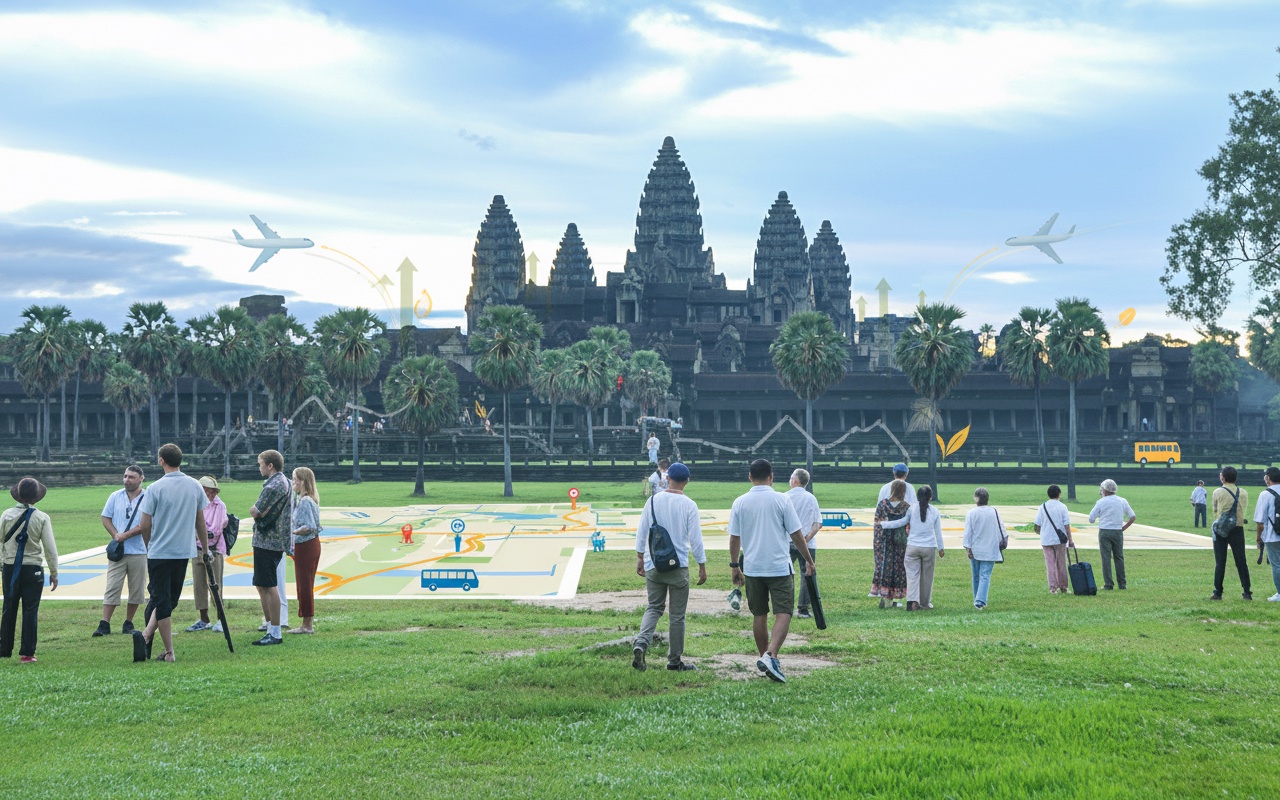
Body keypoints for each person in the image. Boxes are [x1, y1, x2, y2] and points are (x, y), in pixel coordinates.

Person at [728, 459, 814, 684]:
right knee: (783, 611)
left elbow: (734, 537)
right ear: (771, 477)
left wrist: (735, 565)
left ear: (749, 477)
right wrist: (808, 560)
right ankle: (771, 656)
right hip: (778, 566)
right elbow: (796, 534)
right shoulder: (782, 499)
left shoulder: (739, 502)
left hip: (753, 567)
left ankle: (764, 657)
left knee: (759, 614)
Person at [126, 444, 210, 663]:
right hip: (183, 551)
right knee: (168, 600)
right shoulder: (194, 485)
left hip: (160, 551)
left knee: (164, 601)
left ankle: (167, 650)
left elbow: (145, 524)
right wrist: (206, 548)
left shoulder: (155, 488)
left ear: (161, 460)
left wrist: (149, 545)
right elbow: (200, 519)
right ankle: (147, 637)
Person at [632, 462, 706, 672]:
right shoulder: (689, 504)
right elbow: (696, 539)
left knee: (654, 607)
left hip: (654, 562)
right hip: (678, 564)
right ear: (687, 481)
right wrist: (701, 564)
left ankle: (641, 643)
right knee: (677, 615)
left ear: (667, 479)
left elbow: (642, 530)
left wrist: (640, 557)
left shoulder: (653, 500)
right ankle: (674, 660)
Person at [1, 478, 58, 664]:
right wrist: (54, 572)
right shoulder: (41, 517)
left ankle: (4, 648)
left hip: (10, 568)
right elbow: (50, 548)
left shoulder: (6, 515)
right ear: (36, 497)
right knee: (30, 610)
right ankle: (27, 653)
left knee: (9, 608)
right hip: (33, 568)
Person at [94, 465, 147, 637]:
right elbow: (105, 517)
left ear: (141, 478)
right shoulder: (115, 496)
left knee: (136, 588)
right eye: (125, 476)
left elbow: (146, 524)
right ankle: (105, 623)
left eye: (131, 477)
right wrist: (116, 535)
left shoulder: (148, 498)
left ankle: (128, 622)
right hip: (119, 550)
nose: (126, 480)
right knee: (112, 586)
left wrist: (125, 535)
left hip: (139, 549)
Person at [250, 449, 292, 646]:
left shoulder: (273, 485)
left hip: (268, 540)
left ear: (270, 465)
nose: (259, 468)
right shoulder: (285, 482)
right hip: (272, 540)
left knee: (268, 585)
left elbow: (255, 510)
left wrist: (256, 512)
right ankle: (270, 626)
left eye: (260, 464)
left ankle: (274, 630)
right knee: (262, 583)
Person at [185, 476, 228, 633]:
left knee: (215, 585)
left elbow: (215, 530)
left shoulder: (219, 506)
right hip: (196, 549)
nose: (208, 494)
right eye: (205, 491)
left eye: (210, 491)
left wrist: (199, 534)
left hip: (214, 550)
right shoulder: (195, 504)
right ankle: (204, 619)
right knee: (199, 585)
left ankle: (220, 619)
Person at [784, 469, 822, 619]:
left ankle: (785, 606)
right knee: (807, 574)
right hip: (808, 543)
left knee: (786, 575)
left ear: (795, 481)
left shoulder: (784, 498)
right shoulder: (811, 498)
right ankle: (803, 609)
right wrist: (805, 539)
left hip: (786, 542)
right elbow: (817, 523)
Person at [289, 466, 322, 634]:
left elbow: (309, 526)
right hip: (309, 544)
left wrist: (291, 533)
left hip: (306, 545)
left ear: (302, 481)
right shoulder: (308, 500)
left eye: (295, 479)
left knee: (304, 585)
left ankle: (307, 624)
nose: (293, 482)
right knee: (305, 584)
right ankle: (306, 621)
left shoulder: (305, 501)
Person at [1210, 466, 1251, 601]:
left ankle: (1218, 592)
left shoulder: (1218, 492)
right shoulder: (1243, 492)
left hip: (1221, 529)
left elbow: (1215, 510)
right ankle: (1246, 591)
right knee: (1241, 561)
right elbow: (1243, 509)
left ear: (1223, 477)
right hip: (1237, 528)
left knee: (1220, 562)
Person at [1087, 479, 1136, 591]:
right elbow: (1132, 517)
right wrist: (1123, 528)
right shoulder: (1122, 501)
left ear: (1104, 490)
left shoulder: (1101, 502)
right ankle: (1122, 584)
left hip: (1105, 531)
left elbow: (1091, 519)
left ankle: (1108, 584)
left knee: (1106, 558)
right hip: (1118, 531)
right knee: (1119, 557)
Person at [903, 485, 945, 611]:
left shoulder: (911, 509)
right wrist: (941, 548)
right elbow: (938, 532)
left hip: (912, 546)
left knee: (912, 576)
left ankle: (912, 601)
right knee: (927, 577)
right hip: (928, 547)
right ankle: (925, 602)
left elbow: (906, 524)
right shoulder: (935, 511)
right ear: (930, 497)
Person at [962, 487, 1004, 609]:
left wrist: (967, 548)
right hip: (990, 548)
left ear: (976, 498)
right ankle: (979, 600)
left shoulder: (971, 513)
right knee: (985, 575)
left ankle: (978, 599)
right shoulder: (994, 511)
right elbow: (1001, 529)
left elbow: (968, 532)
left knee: (975, 575)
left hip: (975, 548)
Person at [870, 479, 911, 607]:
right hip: (900, 543)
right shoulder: (906, 507)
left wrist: (878, 542)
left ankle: (884, 598)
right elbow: (909, 526)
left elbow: (877, 525)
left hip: (884, 542)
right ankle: (891, 599)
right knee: (897, 570)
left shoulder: (882, 505)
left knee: (884, 569)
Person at [1034, 484, 1074, 594]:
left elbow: (1037, 525)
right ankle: (1063, 586)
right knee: (1061, 563)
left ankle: (1052, 587)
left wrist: (1041, 533)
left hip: (1046, 539)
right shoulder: (1063, 507)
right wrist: (1070, 540)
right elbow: (1066, 525)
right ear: (1059, 494)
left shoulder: (1043, 507)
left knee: (1050, 564)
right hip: (1060, 540)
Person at [1253, 466, 1280, 602]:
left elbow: (1260, 521)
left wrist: (1259, 538)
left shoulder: (1265, 494)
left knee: (1277, 565)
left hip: (1272, 535)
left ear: (1268, 478)